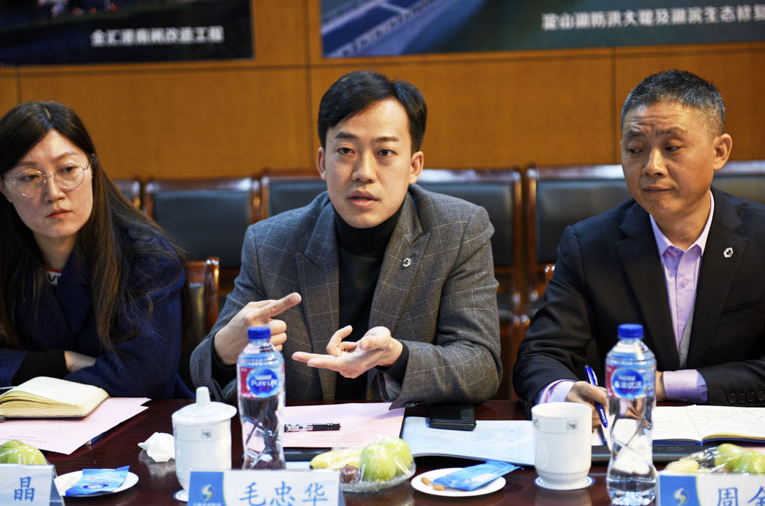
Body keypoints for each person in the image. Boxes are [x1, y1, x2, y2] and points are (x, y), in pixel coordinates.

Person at [191, 70, 501, 406]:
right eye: (346, 150)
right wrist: (223, 352)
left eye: (384, 153)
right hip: (307, 435)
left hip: (406, 432)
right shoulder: (269, 243)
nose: (364, 172)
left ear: (414, 166)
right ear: (323, 162)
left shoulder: (458, 230)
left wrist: (398, 356)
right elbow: (202, 372)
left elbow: (482, 366)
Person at [513, 70, 765, 422]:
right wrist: (563, 391)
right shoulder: (589, 245)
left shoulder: (760, 236)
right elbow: (540, 355)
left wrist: (664, 384)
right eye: (635, 150)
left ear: (719, 152)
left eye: (672, 148)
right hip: (629, 433)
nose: (651, 166)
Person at [0, 100, 192, 398]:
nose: (53, 193)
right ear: (2, 188)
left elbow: (145, 375)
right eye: (30, 177)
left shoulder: (146, 257)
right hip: (24, 426)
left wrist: (30, 384)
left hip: (142, 423)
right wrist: (59, 362)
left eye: (68, 169)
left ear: (92, 168)